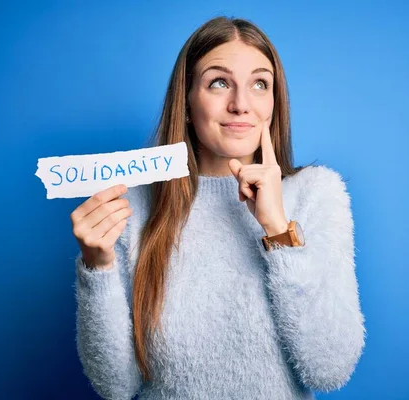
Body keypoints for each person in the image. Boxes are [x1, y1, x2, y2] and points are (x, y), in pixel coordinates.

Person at [70, 16, 365, 399]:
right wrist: (97, 267)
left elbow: (329, 369)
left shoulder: (316, 194)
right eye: (219, 82)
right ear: (188, 103)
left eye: (260, 84)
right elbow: (116, 386)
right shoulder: (133, 205)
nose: (241, 104)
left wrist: (277, 228)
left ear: (274, 103)